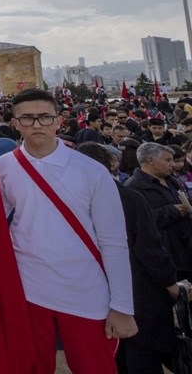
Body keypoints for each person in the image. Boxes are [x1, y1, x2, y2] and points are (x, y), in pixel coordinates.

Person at [0, 88, 136, 373]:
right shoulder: (3, 167)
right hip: (28, 289)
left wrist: (123, 306)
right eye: (27, 118)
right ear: (15, 123)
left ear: (58, 120)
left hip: (85, 291)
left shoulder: (91, 171)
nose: (37, 125)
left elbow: (114, 241)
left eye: (45, 117)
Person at [77, 142, 184, 374]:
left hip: (97, 297)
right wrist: (170, 282)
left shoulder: (76, 201)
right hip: (140, 294)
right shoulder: (129, 197)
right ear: (110, 165)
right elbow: (149, 248)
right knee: (140, 359)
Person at [125, 142, 192, 281]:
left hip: (185, 249)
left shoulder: (172, 181)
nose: (173, 164)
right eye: (167, 160)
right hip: (165, 256)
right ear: (150, 160)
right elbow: (136, 224)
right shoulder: (134, 187)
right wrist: (171, 211)